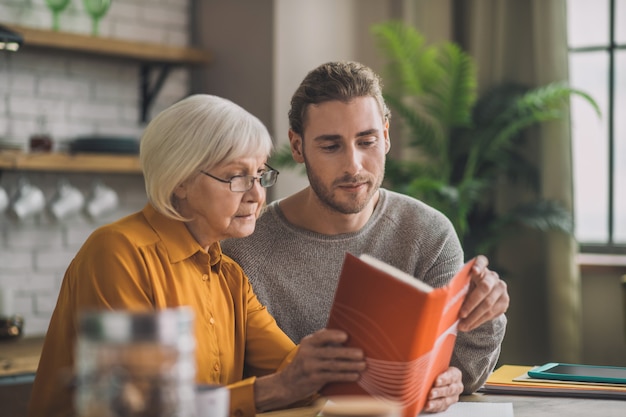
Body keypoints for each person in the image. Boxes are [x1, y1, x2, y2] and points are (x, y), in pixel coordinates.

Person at [27, 94, 366, 417]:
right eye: (237, 177)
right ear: (180, 181)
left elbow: (296, 371)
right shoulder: (119, 254)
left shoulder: (229, 275)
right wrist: (271, 390)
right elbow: (137, 407)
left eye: (260, 175)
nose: (256, 195)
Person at [221, 61, 509, 413]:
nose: (354, 166)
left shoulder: (428, 232)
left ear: (386, 136)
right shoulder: (245, 246)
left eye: (367, 141)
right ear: (297, 147)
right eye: (331, 146)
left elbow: (465, 371)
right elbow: (226, 384)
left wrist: (478, 327)